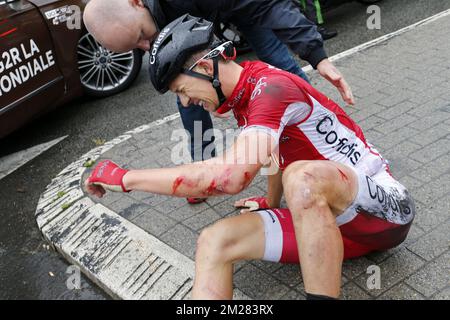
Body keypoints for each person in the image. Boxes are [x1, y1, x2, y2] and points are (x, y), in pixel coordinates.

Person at [85, 15, 415, 300]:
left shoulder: (270, 88)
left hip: (384, 213)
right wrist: (272, 201)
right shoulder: (246, 92)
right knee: (213, 242)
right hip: (330, 230)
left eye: (182, 91)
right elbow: (277, 152)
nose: (185, 104)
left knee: (301, 179)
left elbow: (229, 178)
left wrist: (126, 178)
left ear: (203, 67)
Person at [83, 0, 355, 204]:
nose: (147, 46)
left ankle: (322, 123)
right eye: (137, 48)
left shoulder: (267, 93)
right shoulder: (250, 97)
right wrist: (271, 204)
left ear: (136, 2)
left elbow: (231, 178)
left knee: (274, 55)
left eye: (142, 35)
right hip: (212, 38)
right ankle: (203, 160)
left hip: (242, 6)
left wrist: (317, 55)